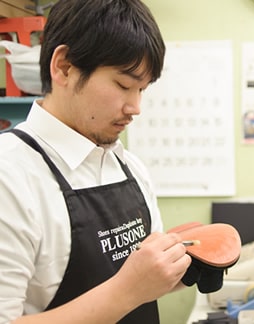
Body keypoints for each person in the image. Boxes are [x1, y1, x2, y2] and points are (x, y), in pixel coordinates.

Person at [0, 0, 194, 323]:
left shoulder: (130, 168)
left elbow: (145, 283)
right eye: (123, 85)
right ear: (63, 66)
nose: (135, 107)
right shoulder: (10, 174)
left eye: (142, 89)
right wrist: (125, 291)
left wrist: (186, 269)